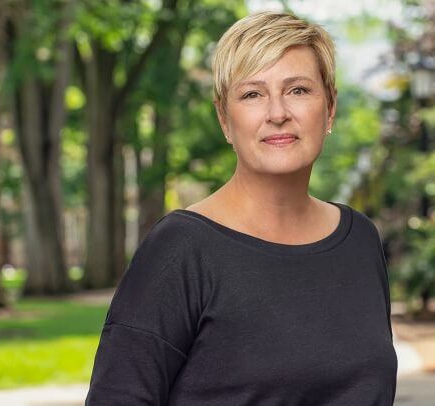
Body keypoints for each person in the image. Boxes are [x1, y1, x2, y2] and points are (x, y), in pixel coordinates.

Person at [86, 10, 397, 405]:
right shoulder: (181, 248)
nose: (278, 112)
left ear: (330, 107)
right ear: (224, 120)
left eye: (298, 90)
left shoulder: (360, 240)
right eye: (252, 94)